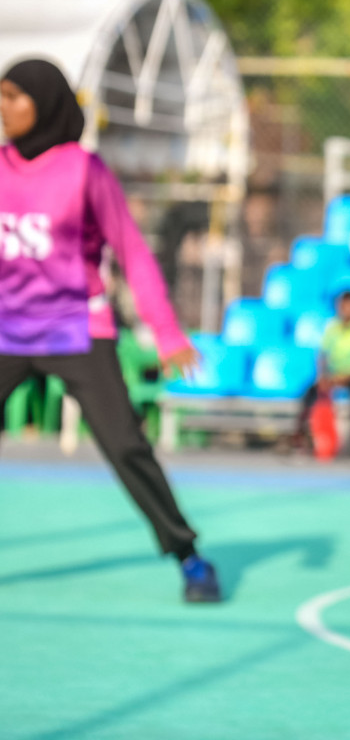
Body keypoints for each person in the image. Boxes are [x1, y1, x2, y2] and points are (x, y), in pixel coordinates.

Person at [0, 57, 221, 602]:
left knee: (125, 447)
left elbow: (133, 254)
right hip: (8, 330)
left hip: (77, 329)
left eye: (13, 97)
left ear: (46, 103)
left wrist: (167, 333)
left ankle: (189, 557)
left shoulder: (83, 171)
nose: (3, 108)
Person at [293, 289, 350, 452]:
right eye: (343, 305)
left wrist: (346, 378)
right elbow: (323, 356)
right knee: (309, 394)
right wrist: (324, 377)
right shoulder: (332, 327)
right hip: (334, 376)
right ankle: (300, 438)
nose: (347, 309)